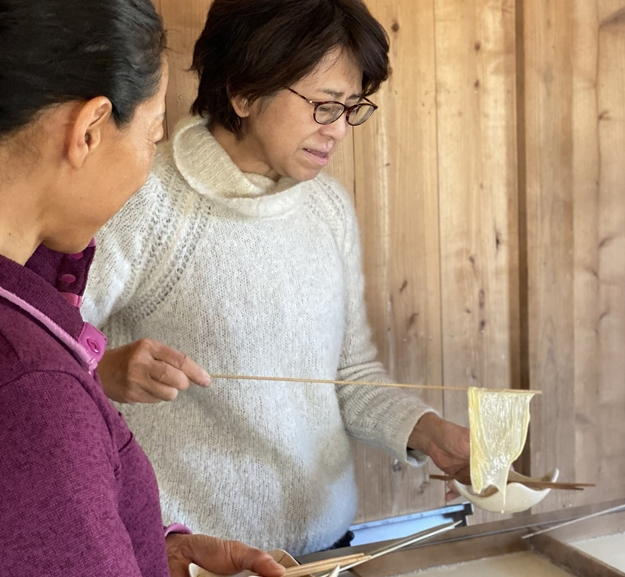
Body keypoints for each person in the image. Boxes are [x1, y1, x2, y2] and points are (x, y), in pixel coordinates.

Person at [82, 0, 471, 555]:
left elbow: (349, 374)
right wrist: (105, 370)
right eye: (324, 105)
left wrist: (429, 431)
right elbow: (42, 355)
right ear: (244, 92)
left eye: (351, 108)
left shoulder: (327, 208)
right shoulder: (144, 199)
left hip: (327, 549)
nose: (339, 130)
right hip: (190, 557)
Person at [0, 1, 287, 576]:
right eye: (152, 136)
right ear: (88, 130)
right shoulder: (34, 385)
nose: (148, 164)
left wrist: (154, 551)